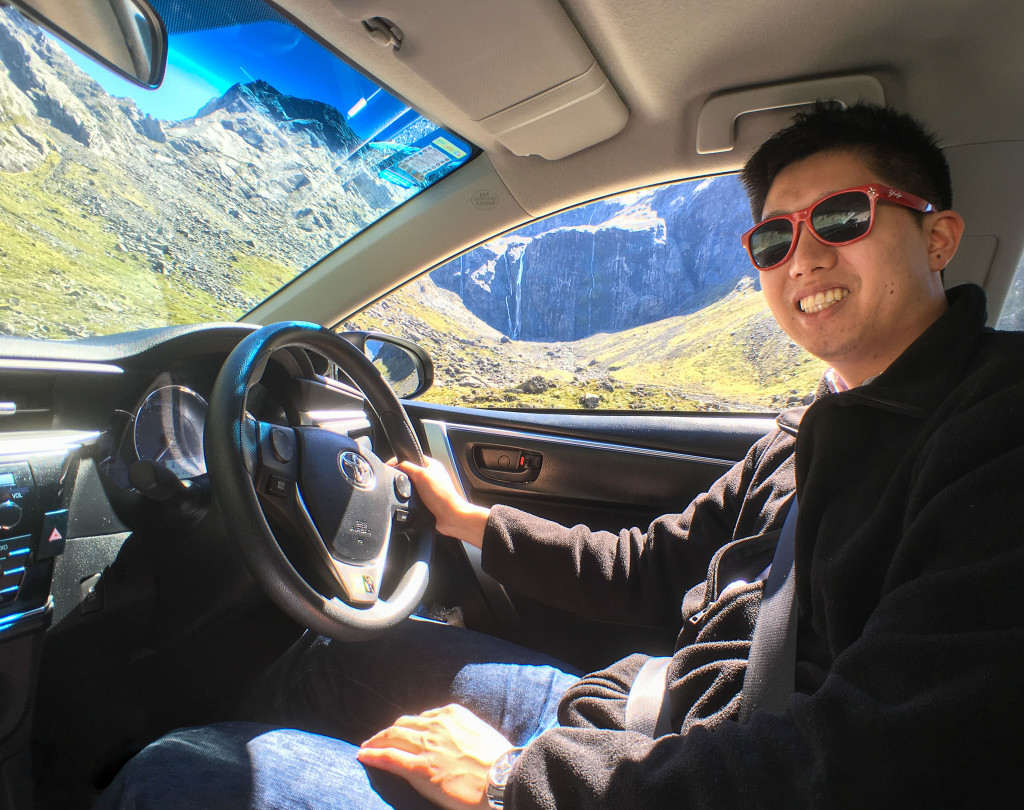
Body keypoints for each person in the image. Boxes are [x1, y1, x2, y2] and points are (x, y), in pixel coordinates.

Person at [97, 102, 1024, 808]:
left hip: (693, 772)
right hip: (649, 717)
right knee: (332, 659)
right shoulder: (818, 420)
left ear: (938, 236)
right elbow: (659, 563)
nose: (804, 258)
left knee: (180, 773)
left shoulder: (995, 432)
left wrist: (512, 781)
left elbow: (875, 760)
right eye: (775, 237)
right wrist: (473, 522)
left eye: (845, 217)